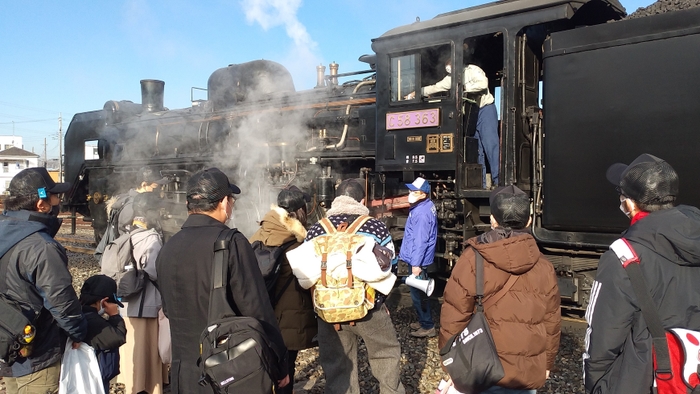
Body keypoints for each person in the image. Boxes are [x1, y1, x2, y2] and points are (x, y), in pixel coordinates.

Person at [155, 168, 289, 394]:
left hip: (183, 373)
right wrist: (280, 362)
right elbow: (257, 309)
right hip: (228, 371)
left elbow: (169, 309)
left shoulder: (168, 247)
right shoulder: (231, 243)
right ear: (224, 202)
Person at [583, 153, 700, 394]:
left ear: (631, 204)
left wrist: (596, 386)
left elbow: (603, 338)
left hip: (643, 380)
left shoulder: (623, 256)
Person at [439, 185, 560, 394]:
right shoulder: (545, 266)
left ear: (492, 220)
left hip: (482, 367)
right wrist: (547, 364)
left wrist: (450, 364)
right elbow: (551, 322)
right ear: (529, 221)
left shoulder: (472, 259)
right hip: (526, 373)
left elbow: (454, 316)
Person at [304, 178, 405, 394]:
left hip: (328, 312)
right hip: (368, 307)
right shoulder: (375, 226)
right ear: (361, 200)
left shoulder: (316, 229)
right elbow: (391, 267)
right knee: (386, 354)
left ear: (335, 200)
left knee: (339, 364)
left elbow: (305, 271)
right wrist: (381, 300)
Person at [0, 167, 87, 393]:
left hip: (6, 343)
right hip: (36, 352)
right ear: (42, 204)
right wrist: (78, 332)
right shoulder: (42, 246)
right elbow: (61, 301)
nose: (59, 200)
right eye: (55, 195)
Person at [249, 186, 318, 394]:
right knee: (285, 370)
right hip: (290, 320)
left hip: (261, 315)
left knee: (266, 366)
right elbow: (309, 282)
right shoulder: (297, 244)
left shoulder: (257, 236)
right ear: (299, 212)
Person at [117, 193, 168, 394]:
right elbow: (154, 271)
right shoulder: (151, 237)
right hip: (145, 303)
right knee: (146, 351)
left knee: (132, 347)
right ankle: (146, 387)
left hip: (126, 303)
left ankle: (131, 385)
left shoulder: (126, 233)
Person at [398, 177, 438, 338]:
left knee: (418, 295)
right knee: (419, 294)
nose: (410, 194)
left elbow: (420, 241)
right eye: (410, 191)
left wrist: (416, 264)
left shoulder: (421, 213)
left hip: (418, 260)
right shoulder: (426, 206)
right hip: (419, 258)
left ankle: (428, 326)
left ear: (423, 194)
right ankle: (423, 321)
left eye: (414, 192)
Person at [79, 274, 127, 394]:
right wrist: (114, 316)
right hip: (95, 379)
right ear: (104, 301)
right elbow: (118, 337)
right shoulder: (93, 321)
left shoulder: (79, 313)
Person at [464, 64, 499, 188]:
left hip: (485, 109)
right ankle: (481, 184)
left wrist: (463, 87)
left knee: (491, 145)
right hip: (472, 112)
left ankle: (498, 180)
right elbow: (438, 86)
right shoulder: (450, 77)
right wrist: (422, 91)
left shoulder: (472, 70)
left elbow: (483, 84)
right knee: (477, 149)